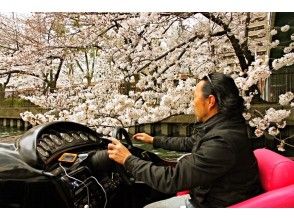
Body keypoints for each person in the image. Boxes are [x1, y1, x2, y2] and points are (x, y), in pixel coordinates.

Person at [107, 73, 262, 208]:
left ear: (210, 101)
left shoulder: (221, 142)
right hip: (215, 196)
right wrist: (154, 140)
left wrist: (128, 160)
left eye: (195, 97)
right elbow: (189, 142)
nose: (192, 103)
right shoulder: (222, 127)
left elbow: (170, 180)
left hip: (212, 205)